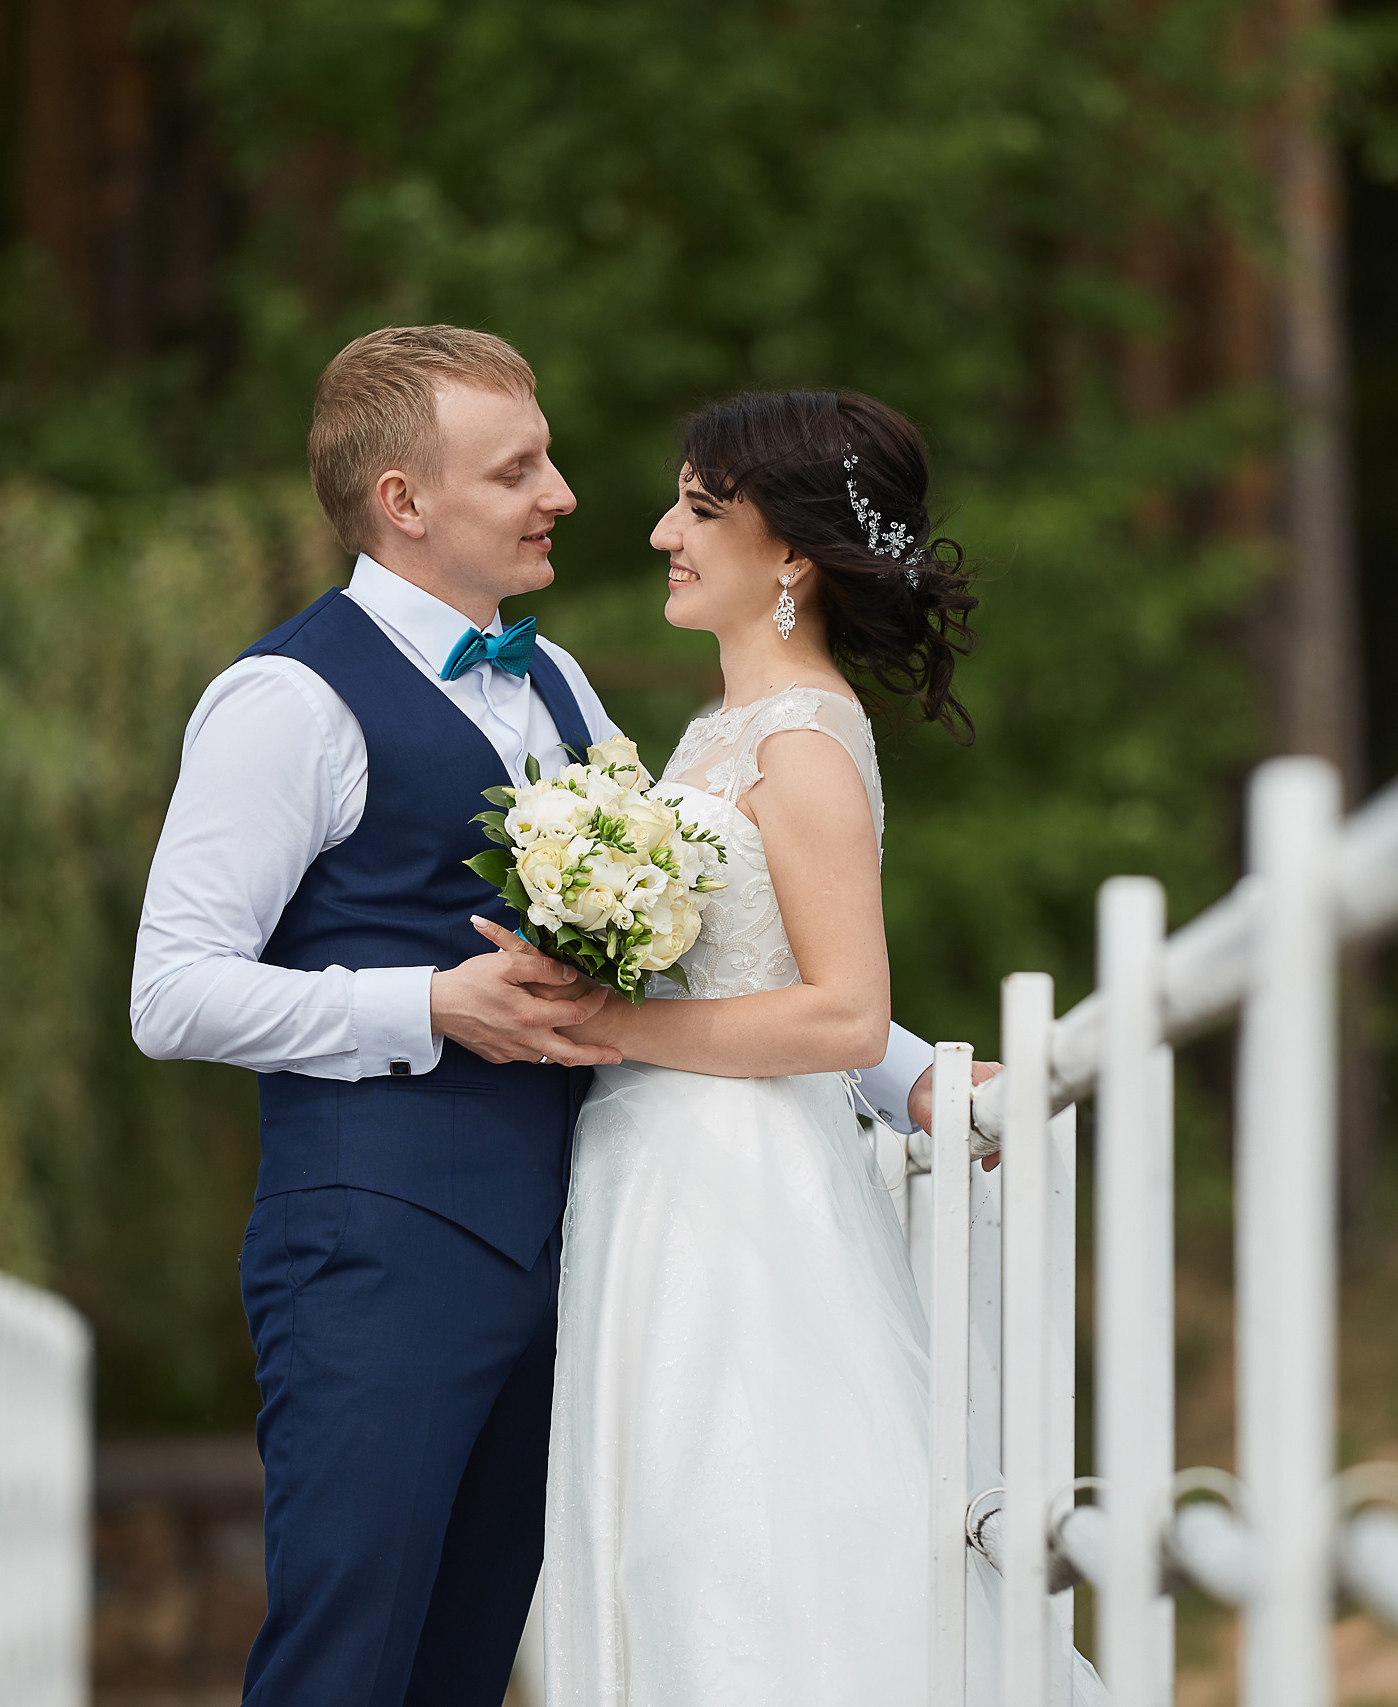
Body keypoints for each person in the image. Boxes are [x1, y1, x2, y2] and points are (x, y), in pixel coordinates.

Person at [130, 330, 952, 1706]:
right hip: (377, 1260)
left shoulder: (559, 681)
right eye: (518, 471)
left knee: (467, 1668)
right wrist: (428, 1004)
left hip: (582, 1257)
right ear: (404, 501)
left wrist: (908, 1074)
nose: (564, 493)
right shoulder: (287, 700)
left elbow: (712, 937)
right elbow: (172, 990)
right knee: (348, 1661)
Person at [509, 389, 1100, 1705]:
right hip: (655, 1170)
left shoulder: (805, 740)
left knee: (743, 1540)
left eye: (701, 509)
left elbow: (838, 1009)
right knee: (664, 1538)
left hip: (737, 1184)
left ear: (791, 556)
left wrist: (617, 1022)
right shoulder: (725, 730)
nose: (665, 530)